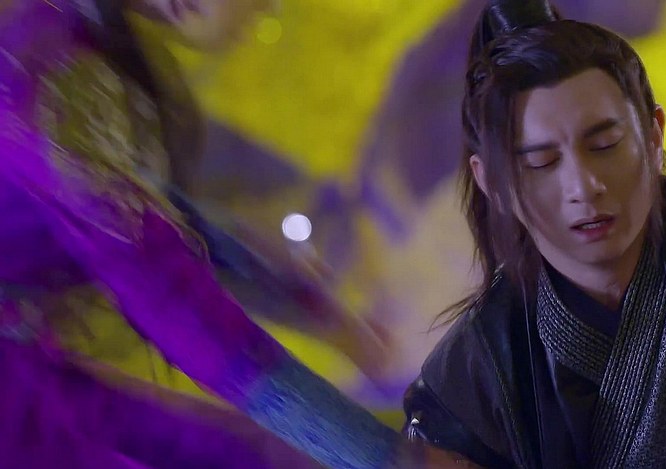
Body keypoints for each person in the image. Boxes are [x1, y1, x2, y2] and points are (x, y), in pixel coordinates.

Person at [0, 0, 464, 467]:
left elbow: (165, 227)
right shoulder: (49, 68)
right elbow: (169, 296)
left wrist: (316, 315)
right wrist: (385, 458)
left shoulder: (75, 41)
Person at [402, 1, 666, 468]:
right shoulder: (465, 388)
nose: (584, 185)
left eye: (604, 145)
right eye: (541, 163)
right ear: (492, 184)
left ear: (654, 134)